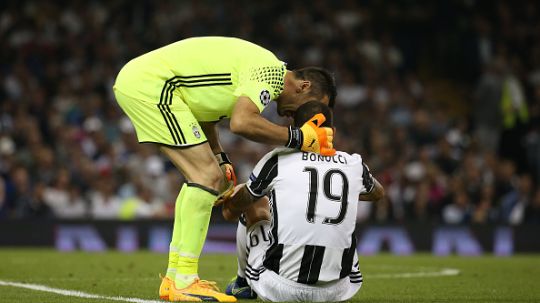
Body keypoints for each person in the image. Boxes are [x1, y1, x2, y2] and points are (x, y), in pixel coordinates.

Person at [112, 36, 337, 302]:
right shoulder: (270, 72)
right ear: (303, 86)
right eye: (313, 106)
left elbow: (203, 114)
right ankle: (184, 280)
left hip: (155, 85)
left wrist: (220, 157)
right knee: (205, 177)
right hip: (153, 85)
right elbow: (241, 122)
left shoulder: (254, 75)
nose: (305, 116)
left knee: (205, 176)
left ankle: (174, 278)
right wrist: (297, 138)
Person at [220, 101, 384, 302]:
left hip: (280, 288)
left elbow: (233, 210)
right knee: (344, 228)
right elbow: (378, 193)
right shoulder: (354, 164)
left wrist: (233, 197)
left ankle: (243, 283)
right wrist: (338, 191)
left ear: (297, 130)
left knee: (255, 201)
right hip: (338, 290)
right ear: (332, 131)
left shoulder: (278, 160)